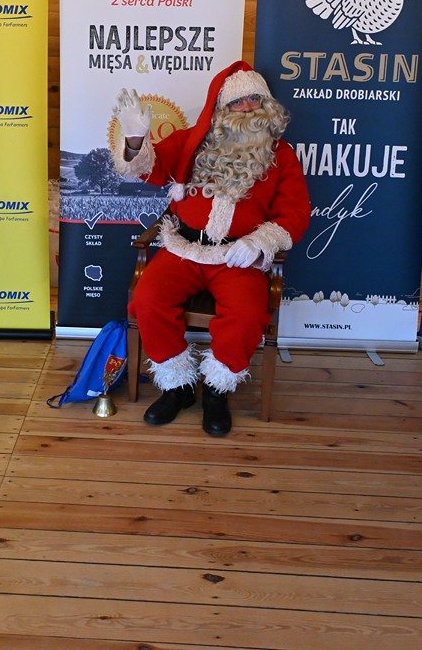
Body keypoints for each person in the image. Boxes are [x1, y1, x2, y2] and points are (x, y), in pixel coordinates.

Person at [111, 60, 311, 436]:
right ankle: (178, 387)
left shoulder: (281, 155)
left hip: (237, 257)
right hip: (184, 249)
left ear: (267, 104)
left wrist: (259, 242)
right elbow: (150, 168)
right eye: (238, 102)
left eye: (255, 99)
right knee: (148, 300)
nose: (248, 108)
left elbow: (295, 213)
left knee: (246, 315)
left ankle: (217, 392)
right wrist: (135, 138)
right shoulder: (194, 141)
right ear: (222, 108)